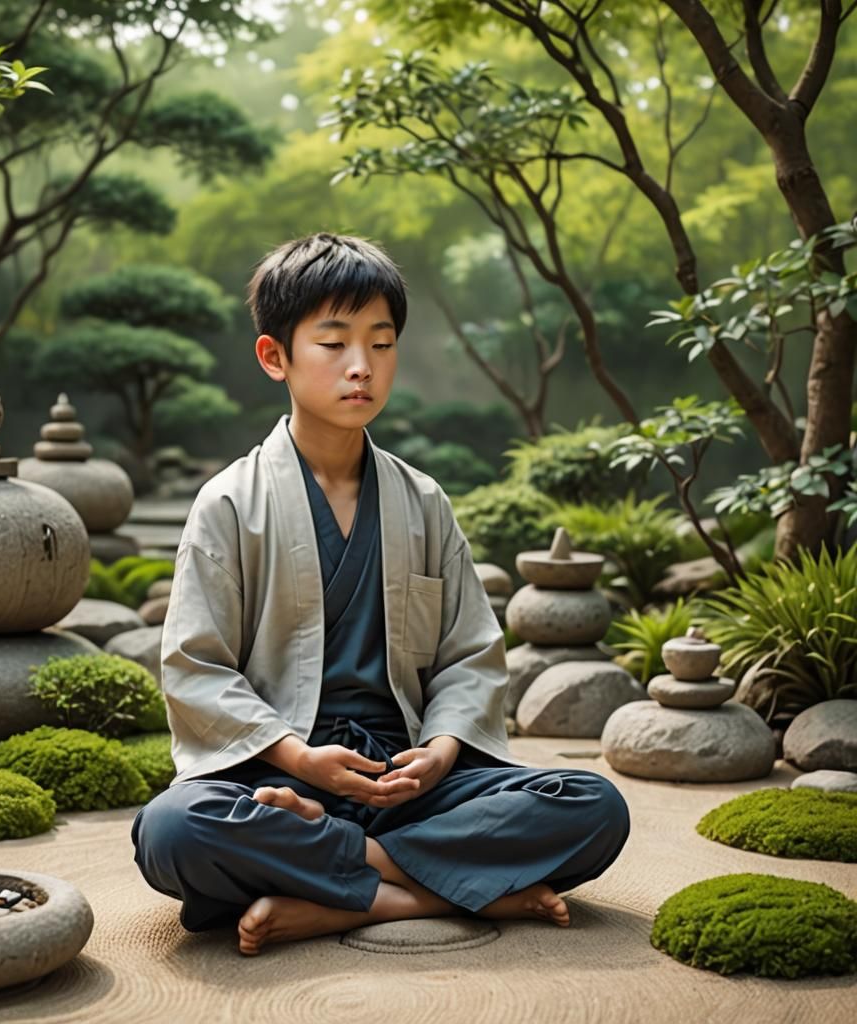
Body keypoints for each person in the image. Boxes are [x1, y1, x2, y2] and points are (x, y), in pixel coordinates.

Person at [130, 232, 631, 956]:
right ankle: (427, 890)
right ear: (276, 357)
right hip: (280, 778)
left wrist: (442, 748)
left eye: (381, 343)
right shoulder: (230, 504)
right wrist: (300, 760)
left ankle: (346, 895)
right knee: (173, 829)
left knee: (594, 805)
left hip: (408, 785)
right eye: (333, 343)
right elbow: (195, 669)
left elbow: (469, 655)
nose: (361, 367)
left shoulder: (423, 502)